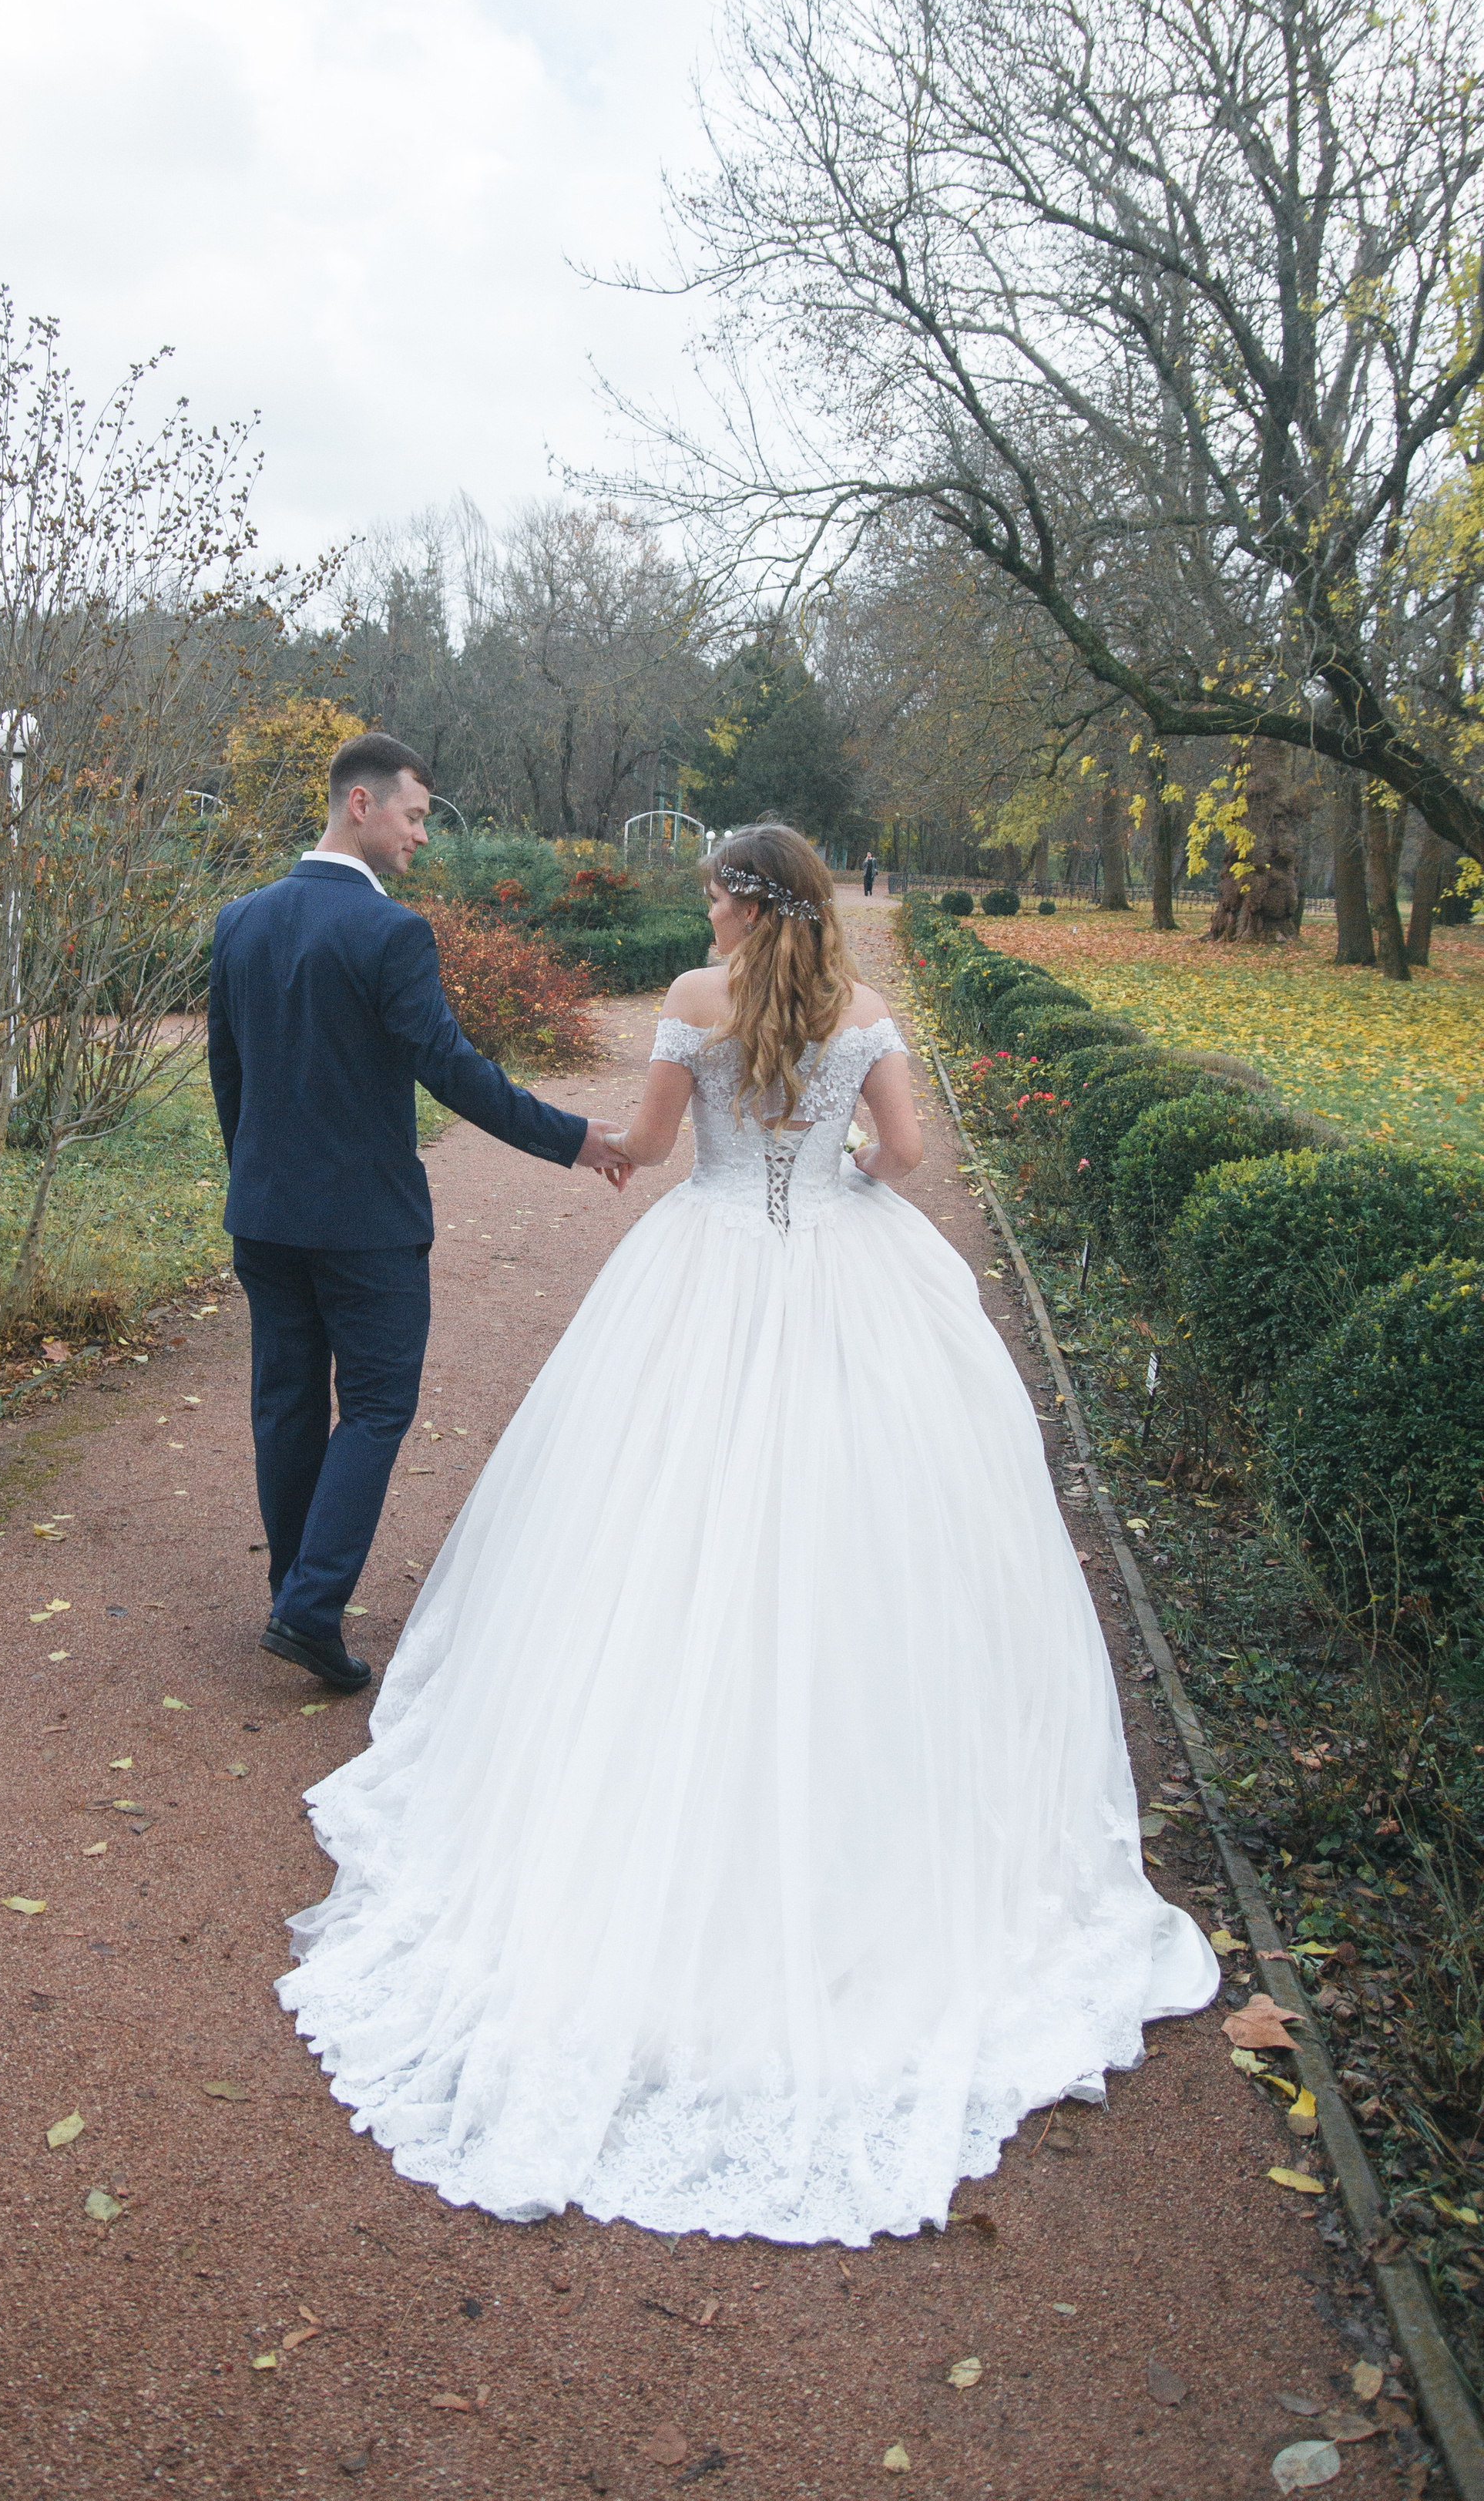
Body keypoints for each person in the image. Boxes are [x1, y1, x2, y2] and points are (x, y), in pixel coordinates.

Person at [276, 822, 1216, 2244]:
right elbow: (906, 1154)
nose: (702, 909)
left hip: (703, 1267)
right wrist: (837, 1167)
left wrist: (624, 1150)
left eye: (713, 892)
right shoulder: (864, 1010)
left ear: (742, 903)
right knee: (860, 1521)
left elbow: (654, 1145)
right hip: (840, 1264)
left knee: (653, 1511)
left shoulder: (694, 1001)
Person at [206, 731, 631, 1699]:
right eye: (415, 814)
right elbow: (451, 1069)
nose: (422, 835)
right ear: (361, 804)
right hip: (365, 1227)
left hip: (263, 1214)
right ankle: (310, 1608)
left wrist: (256, 1177)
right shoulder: (389, 932)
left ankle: (293, 1595)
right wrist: (574, 1139)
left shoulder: (240, 921)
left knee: (284, 1403)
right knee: (377, 1407)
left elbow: (227, 1074)